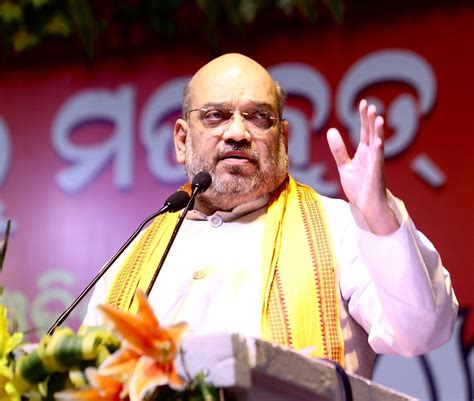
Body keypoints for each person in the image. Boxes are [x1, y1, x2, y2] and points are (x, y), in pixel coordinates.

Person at [83, 53, 458, 379]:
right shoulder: (134, 256)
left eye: (259, 116)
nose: (237, 133)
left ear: (283, 138)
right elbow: (88, 377)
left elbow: (422, 331)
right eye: (215, 116)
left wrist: (380, 220)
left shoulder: (338, 227)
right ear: (182, 140)